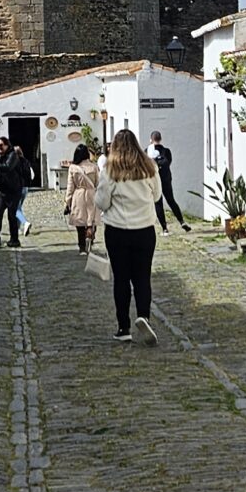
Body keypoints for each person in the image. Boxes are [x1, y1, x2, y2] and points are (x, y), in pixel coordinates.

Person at [99, 129, 162, 343]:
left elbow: (102, 202)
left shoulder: (110, 169)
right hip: (144, 230)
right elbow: (157, 195)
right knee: (143, 277)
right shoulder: (150, 167)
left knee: (122, 280)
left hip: (117, 231)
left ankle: (123, 327)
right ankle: (143, 317)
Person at [0, 141, 30, 248]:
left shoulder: (13, 156)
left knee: (12, 215)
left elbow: (7, 167)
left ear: (7, 145)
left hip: (13, 190)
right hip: (2, 190)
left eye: (1, 145)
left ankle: (14, 239)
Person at [63, 141, 100, 256]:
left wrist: (67, 202)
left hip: (78, 194)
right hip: (91, 194)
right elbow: (98, 183)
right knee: (91, 219)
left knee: (80, 222)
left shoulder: (73, 168)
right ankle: (90, 235)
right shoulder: (94, 167)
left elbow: (70, 187)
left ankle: (82, 247)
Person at [149, 131, 187, 229]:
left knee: (158, 203)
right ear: (160, 139)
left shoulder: (147, 152)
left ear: (151, 140)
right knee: (171, 200)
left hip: (154, 180)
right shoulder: (166, 151)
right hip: (166, 179)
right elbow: (169, 162)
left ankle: (164, 228)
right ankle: (181, 221)